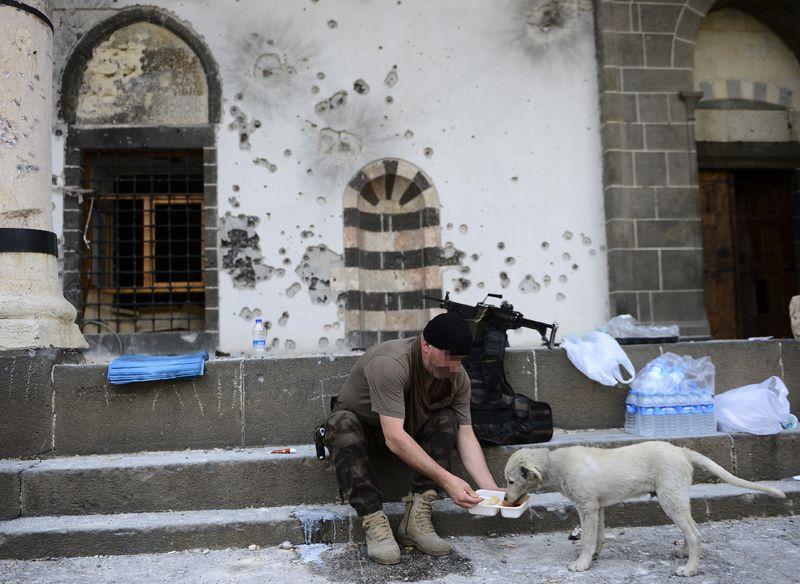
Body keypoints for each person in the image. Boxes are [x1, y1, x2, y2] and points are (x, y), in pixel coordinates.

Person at [322, 312, 500, 565]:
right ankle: (374, 520)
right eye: (449, 357)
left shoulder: (457, 378)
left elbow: (466, 434)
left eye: (460, 359)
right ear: (426, 344)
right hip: (367, 435)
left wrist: (490, 490)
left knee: (446, 418)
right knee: (340, 424)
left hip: (408, 433)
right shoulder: (392, 363)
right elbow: (393, 438)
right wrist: (448, 481)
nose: (454, 366)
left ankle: (416, 521)